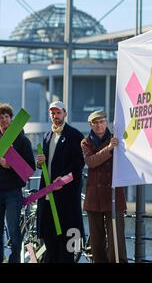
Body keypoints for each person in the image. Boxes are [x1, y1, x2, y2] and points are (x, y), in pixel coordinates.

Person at [36, 101, 85, 263]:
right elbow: (47, 164)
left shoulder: (75, 135)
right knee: (49, 244)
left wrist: (62, 180)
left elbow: (78, 165)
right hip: (48, 199)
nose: (55, 116)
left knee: (67, 247)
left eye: (58, 113)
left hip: (66, 200)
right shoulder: (46, 136)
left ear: (65, 114)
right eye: (53, 113)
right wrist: (40, 162)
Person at [81, 110, 127, 263]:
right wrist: (109, 149)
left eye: (102, 122)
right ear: (91, 125)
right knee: (96, 242)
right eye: (95, 123)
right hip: (94, 198)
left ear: (107, 123)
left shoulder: (117, 138)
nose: (99, 125)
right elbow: (91, 162)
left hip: (114, 194)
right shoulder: (85, 142)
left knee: (117, 239)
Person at [0, 103, 35, 263]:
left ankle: (14, 260)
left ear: (12, 119)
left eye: (6, 116)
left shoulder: (22, 141)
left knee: (14, 230)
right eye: (0, 117)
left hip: (13, 192)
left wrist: (11, 164)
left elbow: (30, 169)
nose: (3, 120)